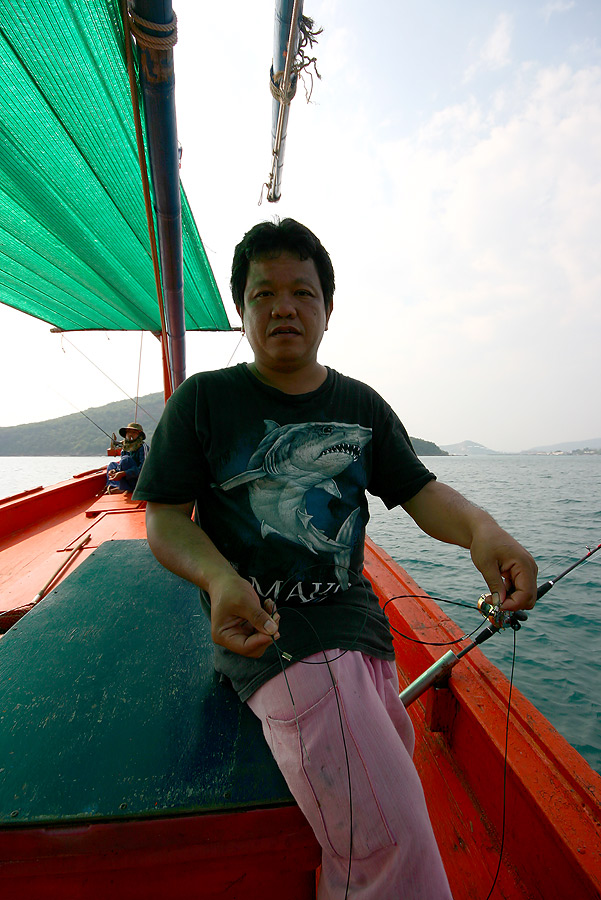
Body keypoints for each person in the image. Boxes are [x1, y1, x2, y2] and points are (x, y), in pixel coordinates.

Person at [133, 219, 537, 899]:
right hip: (268, 632)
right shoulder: (204, 399)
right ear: (242, 307)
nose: (283, 307)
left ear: (326, 308)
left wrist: (482, 530)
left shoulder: (359, 405)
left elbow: (419, 489)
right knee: (389, 841)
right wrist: (219, 577)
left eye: (302, 291)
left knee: (385, 778)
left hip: (356, 623)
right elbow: (165, 518)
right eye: (263, 294)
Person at [106, 422, 149, 494]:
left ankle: (125, 488)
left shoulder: (143, 447)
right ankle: (116, 486)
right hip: (128, 475)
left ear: (139, 435)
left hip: (139, 481)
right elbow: (121, 465)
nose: (130, 434)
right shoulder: (125, 448)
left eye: (134, 432)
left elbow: (144, 469)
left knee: (126, 459)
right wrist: (115, 471)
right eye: (128, 432)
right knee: (112, 465)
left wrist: (124, 473)